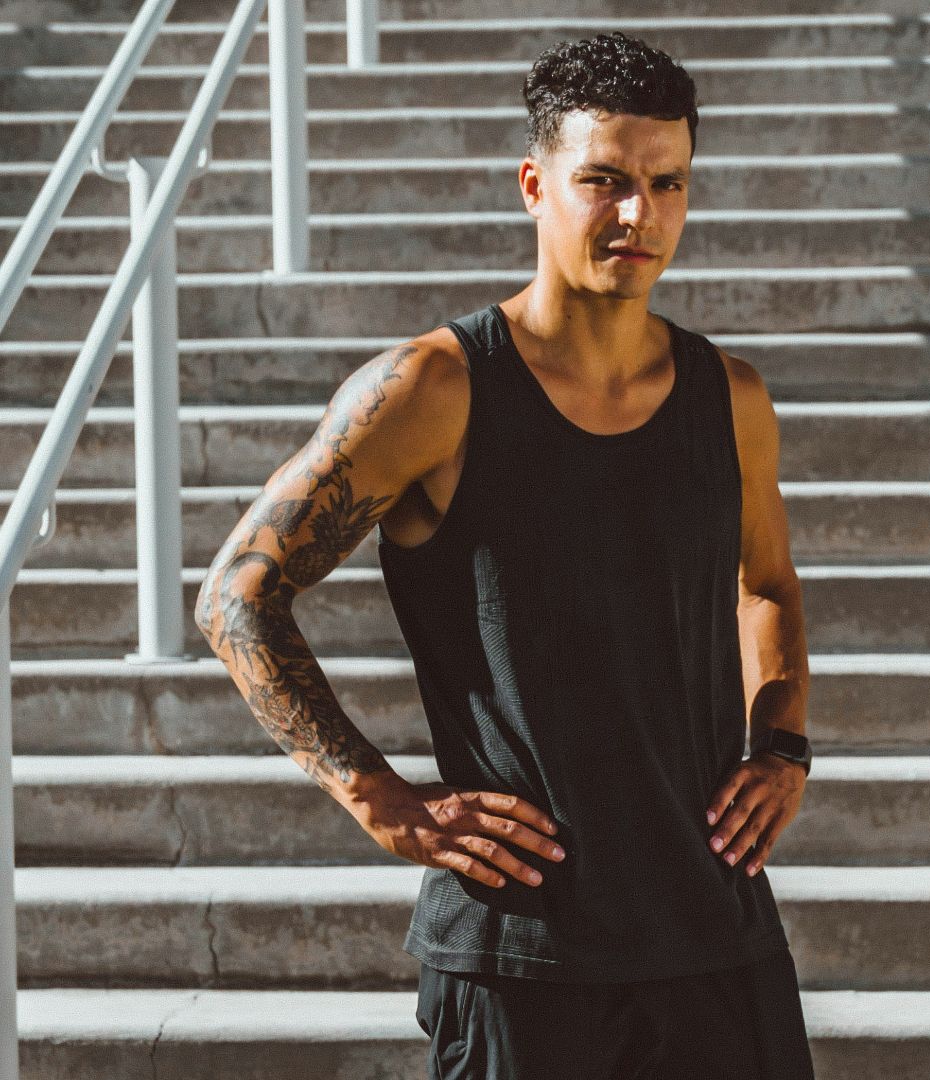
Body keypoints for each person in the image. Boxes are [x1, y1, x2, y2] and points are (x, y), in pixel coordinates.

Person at [195, 33, 816, 1080]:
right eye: (604, 181)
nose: (639, 215)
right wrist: (379, 799)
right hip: (519, 949)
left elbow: (768, 584)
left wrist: (783, 744)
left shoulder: (730, 398)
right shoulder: (432, 390)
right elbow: (237, 597)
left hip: (714, 928)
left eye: (668, 184)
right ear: (534, 185)